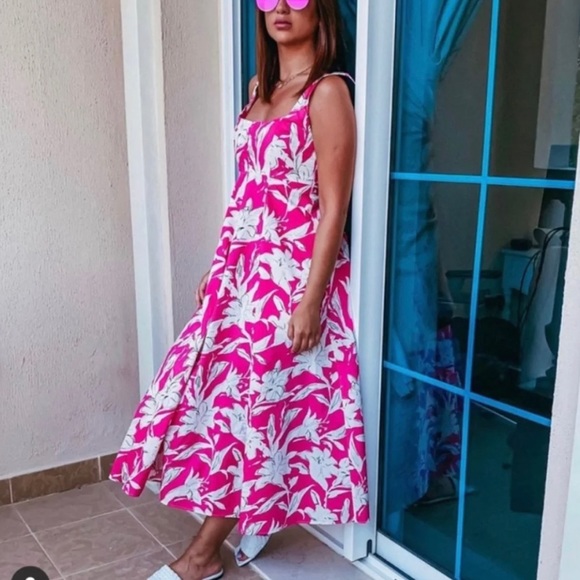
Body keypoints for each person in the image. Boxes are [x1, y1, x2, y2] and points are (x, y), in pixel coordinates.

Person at [109, 1, 369, 578]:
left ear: (321, 9)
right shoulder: (258, 89)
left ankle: (201, 556)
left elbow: (333, 208)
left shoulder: (328, 93)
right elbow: (248, 191)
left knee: (252, 410)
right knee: (206, 393)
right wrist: (220, 260)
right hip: (242, 275)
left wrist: (310, 300)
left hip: (291, 280)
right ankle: (247, 516)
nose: (281, 8)